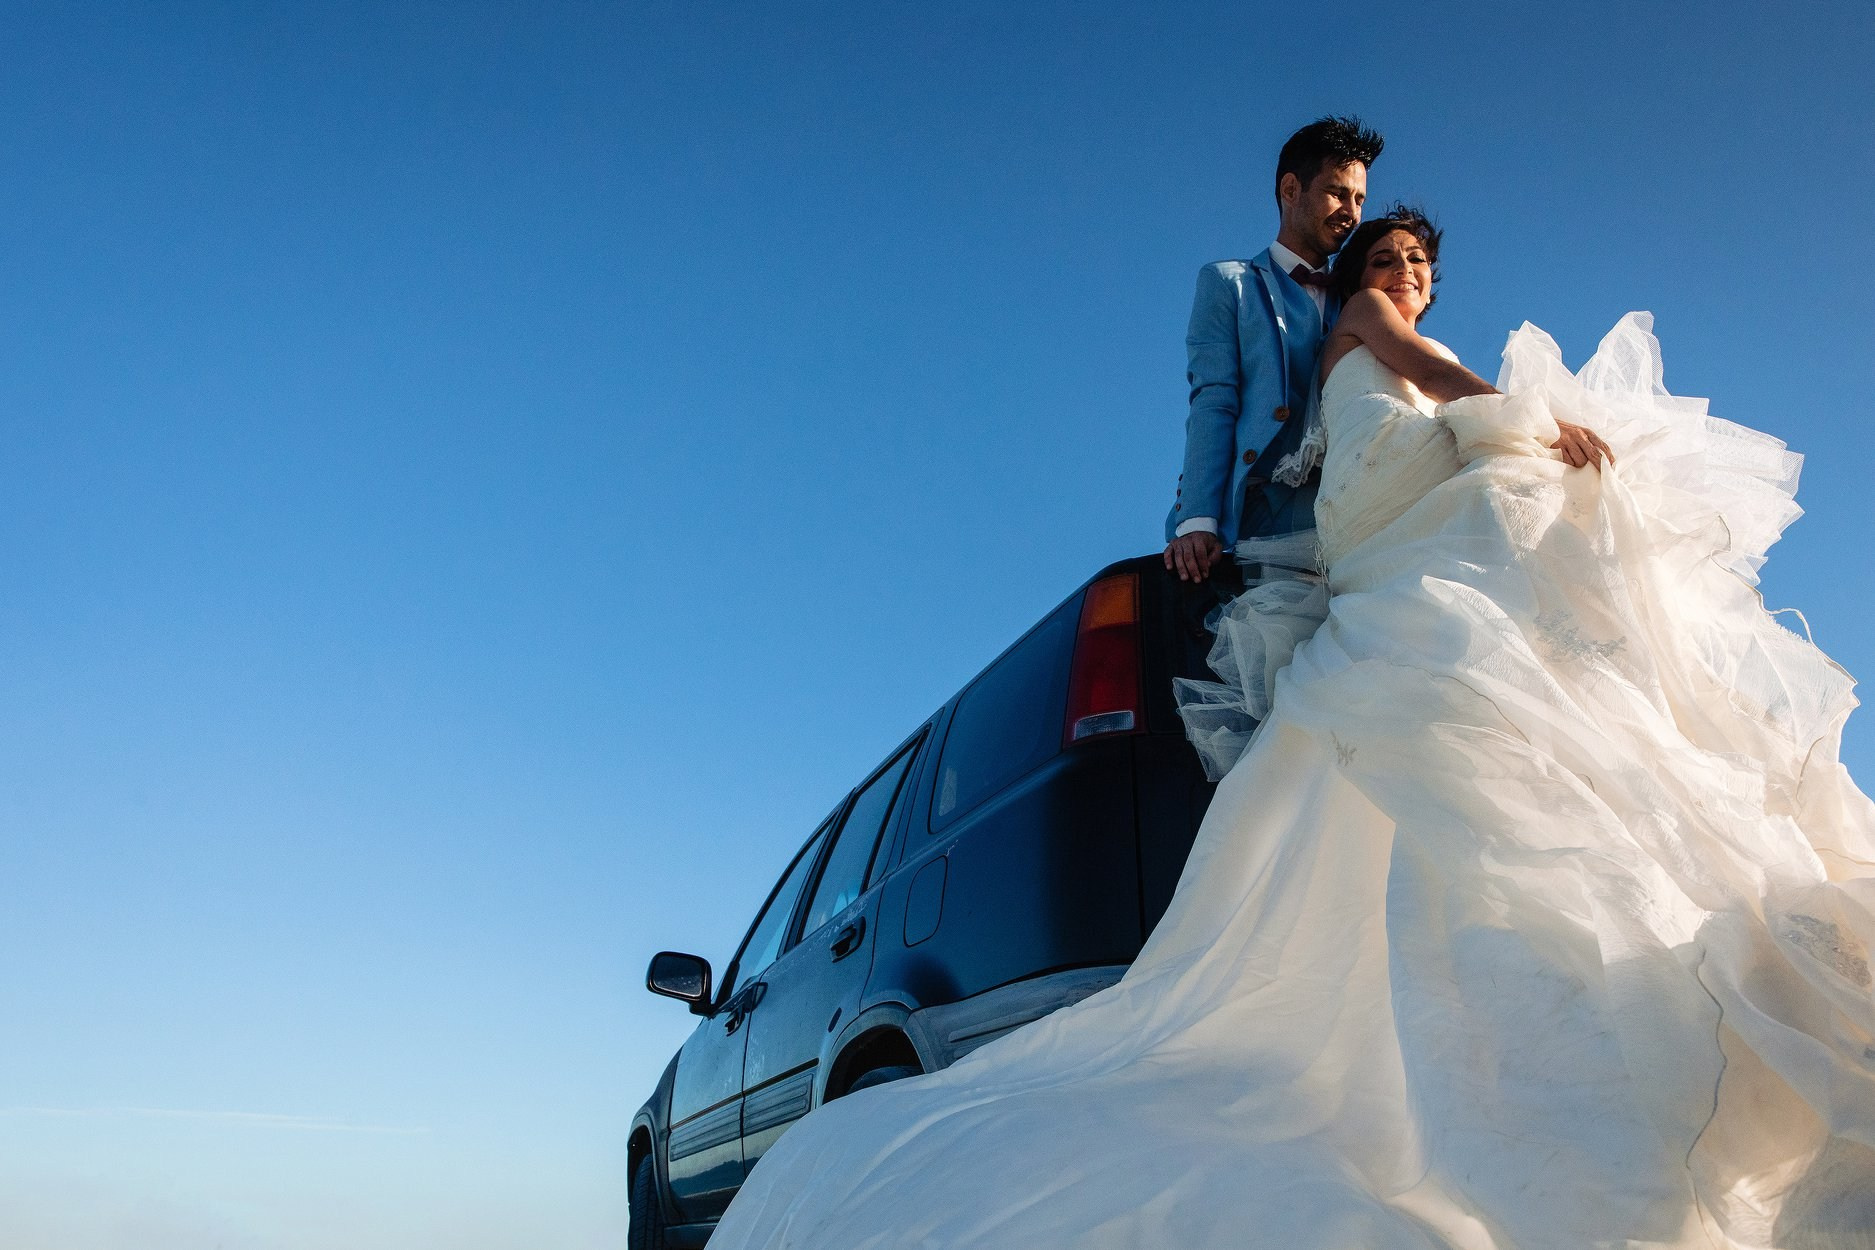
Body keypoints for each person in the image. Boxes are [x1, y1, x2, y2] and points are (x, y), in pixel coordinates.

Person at [704, 213, 1875, 1248]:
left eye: (1419, 261)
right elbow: (1306, 390)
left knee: (1426, 784)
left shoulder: (1364, 339)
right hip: (1380, 549)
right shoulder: (1358, 319)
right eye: (1385, 252)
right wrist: (1527, 418)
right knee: (1483, 703)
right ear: (1352, 267)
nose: (1405, 270)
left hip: (1375, 558)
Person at [1163, 115, 1382, 585]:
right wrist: (1198, 520)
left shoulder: (1363, 300)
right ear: (1290, 188)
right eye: (1338, 193)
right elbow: (1213, 400)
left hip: (1349, 515)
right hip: (1259, 520)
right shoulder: (1229, 284)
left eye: (1360, 199)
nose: (1351, 211)